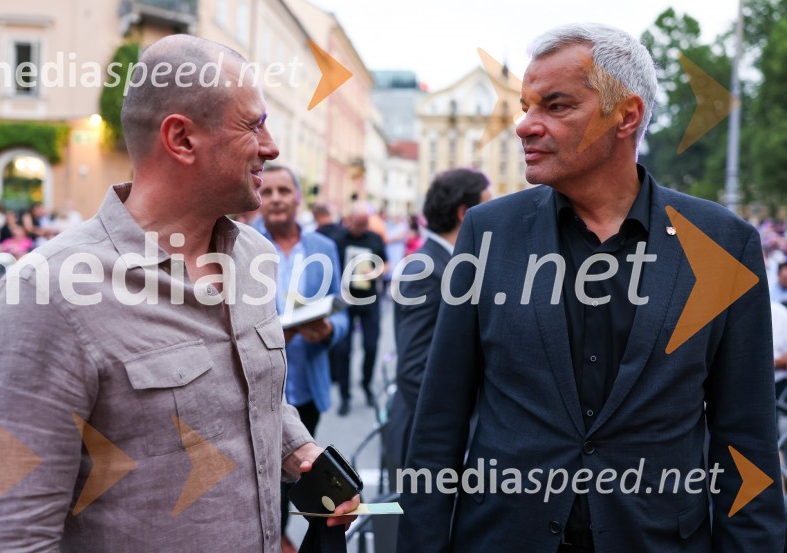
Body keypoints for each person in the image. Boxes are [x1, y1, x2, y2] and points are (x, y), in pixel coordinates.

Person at [398, 23, 785, 553]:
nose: (524, 126)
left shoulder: (724, 244)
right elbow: (438, 422)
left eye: (555, 106)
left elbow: (747, 442)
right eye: (526, 106)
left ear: (626, 116)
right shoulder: (488, 232)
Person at [0, 34, 357, 552]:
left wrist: (299, 451)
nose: (272, 146)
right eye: (253, 124)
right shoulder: (45, 295)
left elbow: (253, 390)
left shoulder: (254, 258)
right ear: (182, 139)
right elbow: (13, 537)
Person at [258, 165, 350, 553]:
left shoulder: (323, 249)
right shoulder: (242, 245)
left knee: (299, 469)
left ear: (298, 198)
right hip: (261, 384)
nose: (275, 198)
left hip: (306, 382)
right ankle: (274, 537)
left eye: (283, 190)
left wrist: (329, 331)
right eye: (267, 191)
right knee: (264, 472)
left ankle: (291, 535)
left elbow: (343, 313)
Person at [387, 168, 491, 471]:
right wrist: (455, 433)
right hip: (427, 440)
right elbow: (414, 371)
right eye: (489, 203)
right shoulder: (428, 269)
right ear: (465, 213)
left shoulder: (446, 263)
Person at [332, 203, 388, 416]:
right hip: (345, 303)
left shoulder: (374, 238)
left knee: (371, 346)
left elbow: (386, 263)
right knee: (343, 350)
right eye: (359, 224)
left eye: (366, 224)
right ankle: (345, 396)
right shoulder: (339, 240)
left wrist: (375, 273)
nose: (363, 228)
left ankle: (366, 385)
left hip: (369, 301)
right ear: (349, 220)